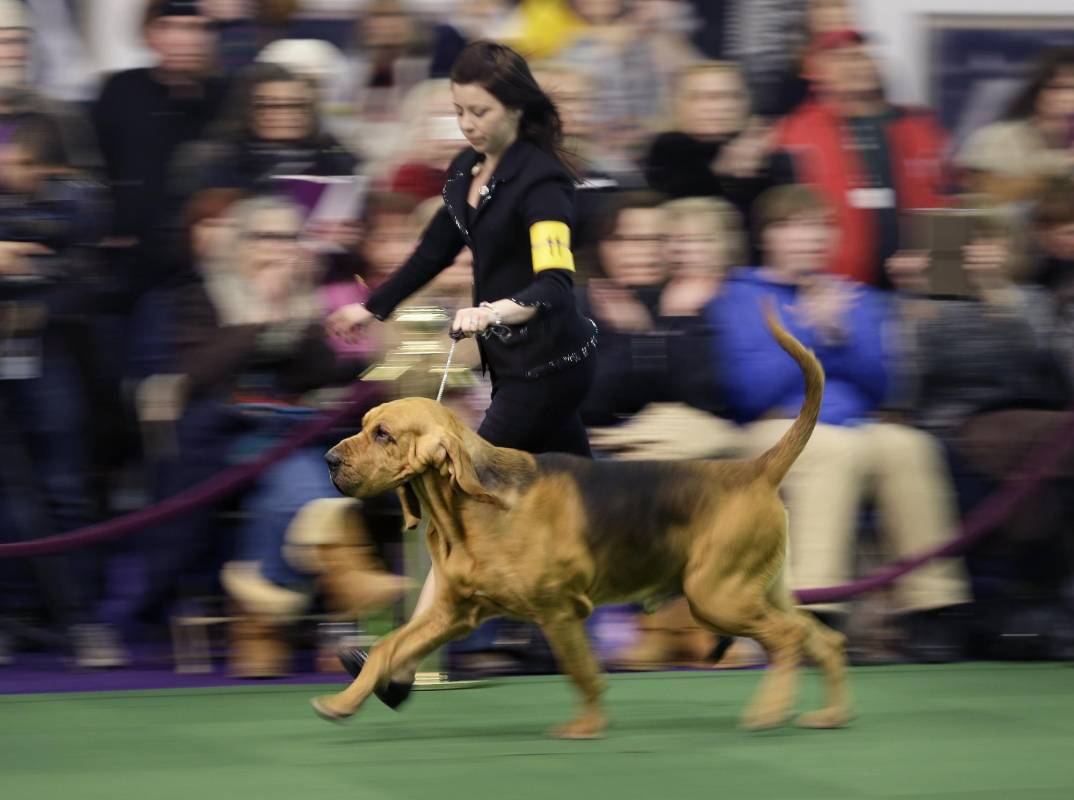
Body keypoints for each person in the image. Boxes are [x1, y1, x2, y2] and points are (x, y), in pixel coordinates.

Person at [327, 40, 598, 705]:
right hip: (517, 365)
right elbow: (432, 252)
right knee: (588, 501)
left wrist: (495, 311)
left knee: (457, 496)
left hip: (549, 366)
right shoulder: (465, 170)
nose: (467, 124)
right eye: (459, 111)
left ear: (516, 108)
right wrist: (372, 307)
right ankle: (626, 596)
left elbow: (555, 284)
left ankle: (398, 664)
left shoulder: (543, 181)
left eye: (480, 112)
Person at [707, 185, 972, 662]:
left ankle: (933, 608)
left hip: (853, 423)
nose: (810, 238)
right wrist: (811, 332)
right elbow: (750, 390)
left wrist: (839, 332)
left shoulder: (856, 297)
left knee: (909, 446)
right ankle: (815, 611)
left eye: (819, 227)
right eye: (794, 227)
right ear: (767, 236)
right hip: (769, 429)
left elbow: (885, 386)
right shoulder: (737, 297)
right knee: (832, 449)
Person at [775, 29, 950, 288]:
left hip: (921, 283)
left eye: (860, 56)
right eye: (840, 58)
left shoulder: (919, 126)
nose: (855, 65)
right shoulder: (796, 132)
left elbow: (946, 200)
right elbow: (783, 211)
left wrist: (944, 274)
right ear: (816, 72)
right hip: (834, 286)